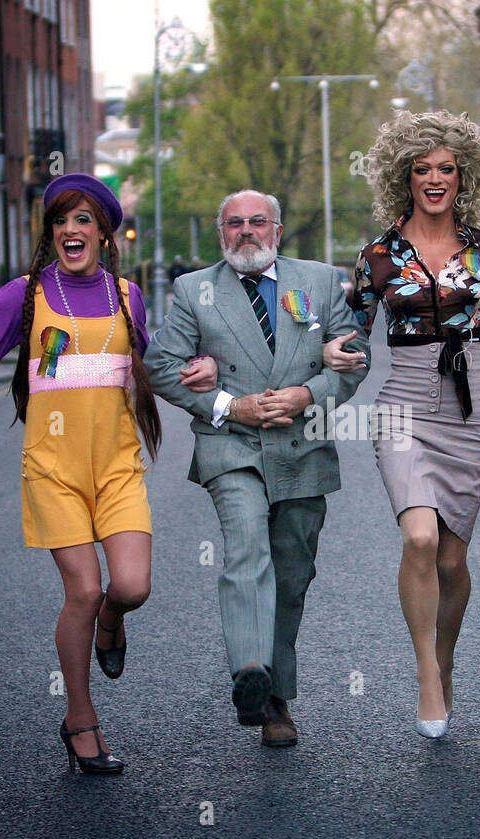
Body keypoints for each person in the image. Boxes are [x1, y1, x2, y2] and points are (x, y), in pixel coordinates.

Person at [0, 173, 217, 774]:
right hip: (53, 470)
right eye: (60, 221)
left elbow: (152, 363)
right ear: (50, 234)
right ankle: (80, 720)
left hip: (118, 467)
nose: (71, 231)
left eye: (82, 221)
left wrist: (202, 374)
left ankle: (110, 622)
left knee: (129, 589)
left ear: (104, 231)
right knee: (81, 587)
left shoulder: (129, 296)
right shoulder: (24, 295)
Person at [143, 189, 369, 747]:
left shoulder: (317, 281)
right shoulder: (193, 291)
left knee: (292, 574)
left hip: (302, 443)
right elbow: (160, 366)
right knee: (247, 543)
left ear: (278, 229)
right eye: (235, 223)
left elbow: (353, 354)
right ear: (222, 233)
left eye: (258, 222)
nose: (247, 232)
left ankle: (275, 696)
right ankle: (249, 669)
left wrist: (307, 393)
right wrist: (226, 404)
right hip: (233, 443)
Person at [335, 111, 480, 739]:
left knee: (455, 559)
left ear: (464, 176)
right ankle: (426, 677)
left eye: (446, 168)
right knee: (419, 539)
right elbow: (351, 327)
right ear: (402, 177)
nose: (434, 179)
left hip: (472, 409)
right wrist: (337, 348)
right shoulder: (379, 254)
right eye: (421, 169)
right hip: (403, 404)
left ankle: (448, 657)